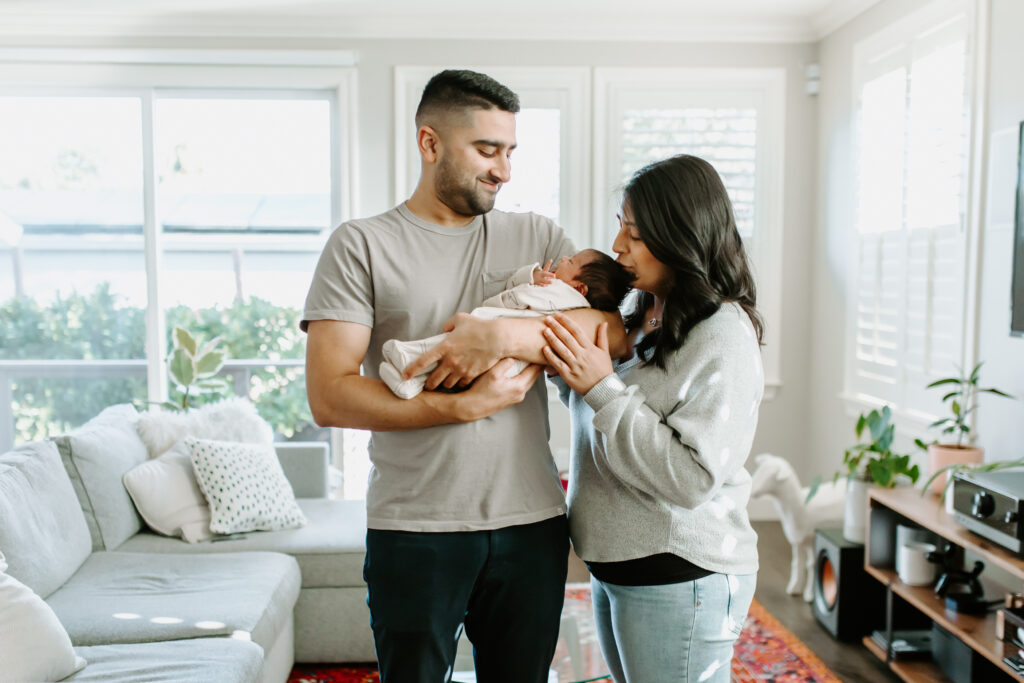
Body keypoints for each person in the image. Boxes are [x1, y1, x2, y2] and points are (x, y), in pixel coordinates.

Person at [301, 69, 624, 683]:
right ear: (429, 144)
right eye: (485, 150)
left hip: (532, 524)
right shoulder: (361, 245)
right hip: (415, 526)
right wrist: (460, 407)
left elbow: (611, 330)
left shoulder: (540, 236)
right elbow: (329, 395)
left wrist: (501, 335)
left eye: (509, 151)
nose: (503, 169)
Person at [540, 154, 764, 683]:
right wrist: (571, 369)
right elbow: (599, 412)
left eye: (634, 234)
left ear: (680, 236)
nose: (617, 246)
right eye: (621, 226)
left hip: (681, 572)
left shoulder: (722, 333)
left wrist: (600, 385)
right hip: (622, 565)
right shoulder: (642, 316)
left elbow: (690, 479)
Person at [380, 249, 632, 399]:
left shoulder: (564, 295)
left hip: (506, 347)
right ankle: (410, 382)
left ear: (580, 287)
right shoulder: (571, 300)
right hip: (511, 353)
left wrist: (530, 282)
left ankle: (407, 356)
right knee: (450, 360)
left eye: (571, 261)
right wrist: (533, 276)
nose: (563, 258)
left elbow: (521, 295)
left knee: (446, 347)